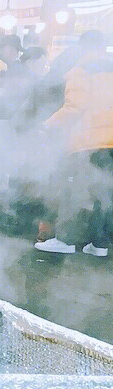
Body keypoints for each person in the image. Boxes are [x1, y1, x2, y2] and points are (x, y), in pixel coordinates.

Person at [38, 37, 113, 255]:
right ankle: (99, 245)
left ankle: (66, 240)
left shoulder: (81, 70)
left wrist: (47, 125)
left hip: (88, 142)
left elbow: (75, 107)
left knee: (72, 190)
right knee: (105, 194)